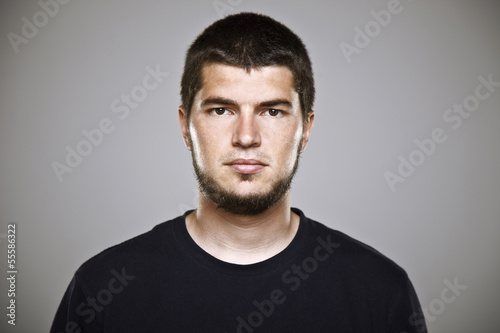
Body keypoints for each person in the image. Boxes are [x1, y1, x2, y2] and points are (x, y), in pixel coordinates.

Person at [51, 12, 427, 333]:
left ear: (306, 130)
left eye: (272, 111)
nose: (246, 137)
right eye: (221, 110)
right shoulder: (103, 289)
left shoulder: (380, 290)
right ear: (185, 126)